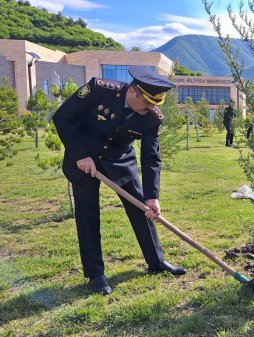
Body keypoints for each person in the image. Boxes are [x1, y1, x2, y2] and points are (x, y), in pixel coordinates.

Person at [53, 66, 186, 296]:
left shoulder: (152, 118)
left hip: (120, 160)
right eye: (148, 103)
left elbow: (151, 156)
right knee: (88, 215)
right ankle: (96, 275)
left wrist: (153, 196)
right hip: (85, 158)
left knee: (141, 209)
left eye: (155, 104)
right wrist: (80, 153)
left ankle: (156, 262)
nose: (151, 108)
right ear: (133, 92)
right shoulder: (98, 89)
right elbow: (63, 116)